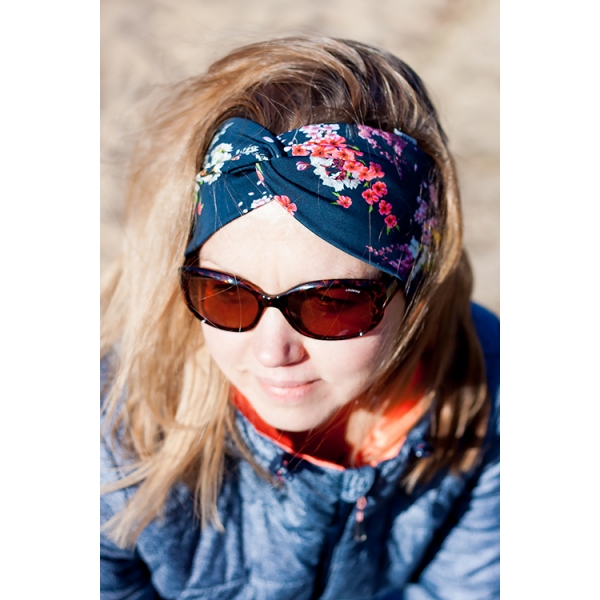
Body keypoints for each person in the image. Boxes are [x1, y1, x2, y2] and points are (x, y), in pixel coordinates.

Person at [101, 36, 500, 600]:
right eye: (227, 294)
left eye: (331, 302)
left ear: (419, 284)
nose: (272, 351)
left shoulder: (484, 388)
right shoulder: (116, 431)